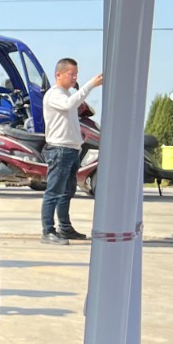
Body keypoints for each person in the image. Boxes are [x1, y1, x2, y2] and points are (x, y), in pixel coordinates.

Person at [41, 57, 101, 244]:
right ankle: (48, 231)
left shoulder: (66, 94)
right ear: (58, 75)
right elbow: (69, 104)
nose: (74, 77)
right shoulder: (54, 94)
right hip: (59, 149)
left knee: (67, 192)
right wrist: (91, 85)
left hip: (71, 150)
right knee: (54, 191)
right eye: (71, 74)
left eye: (76, 74)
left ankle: (65, 228)